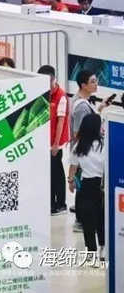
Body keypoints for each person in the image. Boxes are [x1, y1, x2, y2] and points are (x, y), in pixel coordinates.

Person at [68, 113, 105, 257]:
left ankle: (91, 251)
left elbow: (73, 167)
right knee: (101, 217)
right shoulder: (104, 145)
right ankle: (103, 247)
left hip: (86, 186)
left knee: (87, 219)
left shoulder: (79, 146)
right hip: (101, 185)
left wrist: (70, 182)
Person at [37, 65, 69, 216]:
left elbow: (61, 122)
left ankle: (61, 204)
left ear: (52, 79)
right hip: (45, 141)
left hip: (55, 143)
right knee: (47, 173)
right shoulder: (42, 92)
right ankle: (50, 201)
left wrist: (56, 144)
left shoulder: (61, 96)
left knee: (57, 173)